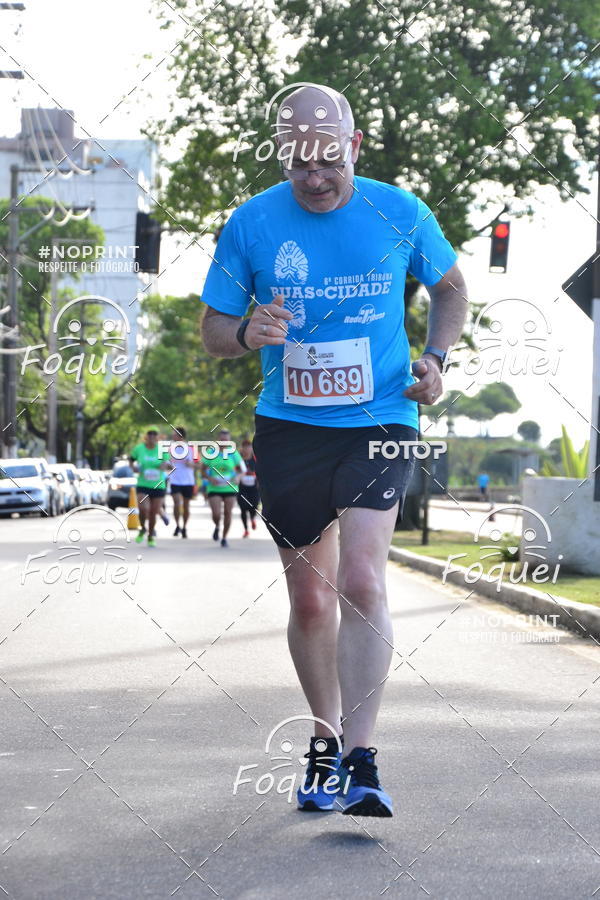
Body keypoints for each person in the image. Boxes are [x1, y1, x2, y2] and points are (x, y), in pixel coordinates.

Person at [201, 84, 467, 816]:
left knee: (363, 580)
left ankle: (361, 756)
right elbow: (213, 329)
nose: (315, 178)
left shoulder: (400, 211)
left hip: (380, 418)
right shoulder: (252, 224)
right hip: (289, 426)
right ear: (282, 155)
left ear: (353, 148)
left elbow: (450, 288)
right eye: (298, 164)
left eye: (328, 161)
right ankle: (322, 740)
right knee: (312, 597)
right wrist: (248, 333)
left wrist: (438, 358)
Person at [201, 428, 245, 548]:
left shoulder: (233, 453)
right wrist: (210, 479)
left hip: (230, 487)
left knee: (228, 512)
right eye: (222, 439)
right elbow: (202, 470)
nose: (224, 442)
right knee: (216, 514)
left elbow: (243, 470)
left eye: (226, 440)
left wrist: (238, 477)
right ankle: (217, 526)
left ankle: (224, 537)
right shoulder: (211, 452)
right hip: (214, 487)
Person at [129, 428, 169, 547]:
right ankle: (142, 528)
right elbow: (131, 460)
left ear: (157, 437)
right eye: (149, 434)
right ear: (146, 436)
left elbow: (169, 464)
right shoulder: (139, 449)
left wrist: (164, 465)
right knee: (144, 509)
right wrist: (133, 468)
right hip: (143, 485)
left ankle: (151, 535)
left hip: (158, 485)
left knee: (153, 512)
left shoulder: (162, 450)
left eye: (154, 434)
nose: (152, 436)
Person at [168, 426, 196, 538]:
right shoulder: (170, 448)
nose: (172, 436)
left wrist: (191, 464)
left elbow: (199, 464)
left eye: (174, 434)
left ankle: (184, 527)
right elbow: (167, 461)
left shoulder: (190, 448)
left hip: (188, 481)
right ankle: (177, 525)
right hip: (175, 480)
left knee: (186, 505)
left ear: (180, 436)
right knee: (176, 503)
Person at [237, 438, 260, 537]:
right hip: (242, 487)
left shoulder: (256, 459)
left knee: (254, 506)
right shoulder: (238, 460)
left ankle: (253, 519)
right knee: (243, 508)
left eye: (248, 447)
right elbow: (234, 471)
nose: (246, 449)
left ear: (251, 448)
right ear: (242, 449)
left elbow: (261, 472)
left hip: (254, 487)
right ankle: (246, 529)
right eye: (244, 447)